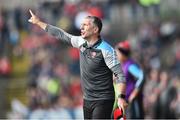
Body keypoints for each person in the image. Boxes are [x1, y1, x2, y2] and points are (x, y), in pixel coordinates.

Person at [28, 10, 128, 119]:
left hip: (103, 99)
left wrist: (121, 97)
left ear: (95, 29)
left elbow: (120, 75)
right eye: (81, 25)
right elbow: (61, 34)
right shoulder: (80, 42)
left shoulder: (107, 50)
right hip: (88, 99)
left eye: (85, 25)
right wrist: (38, 22)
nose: (82, 27)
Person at [115, 40, 144, 119]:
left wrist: (135, 92)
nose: (116, 54)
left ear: (123, 53)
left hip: (132, 102)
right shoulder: (122, 65)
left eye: (117, 52)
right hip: (124, 102)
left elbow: (141, 76)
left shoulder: (130, 65)